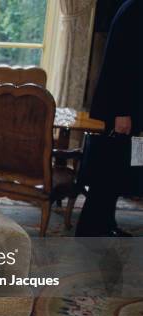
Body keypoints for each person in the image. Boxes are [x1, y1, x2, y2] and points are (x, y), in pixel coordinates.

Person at [76, 0, 142, 237]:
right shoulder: (134, 9)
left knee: (117, 174)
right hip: (121, 112)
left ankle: (106, 224)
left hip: (129, 111)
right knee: (107, 174)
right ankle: (91, 231)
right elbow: (121, 64)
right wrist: (122, 112)